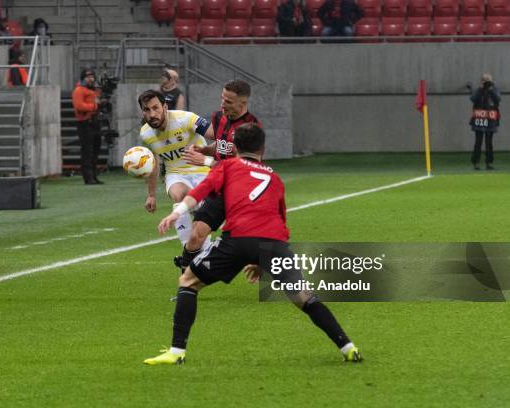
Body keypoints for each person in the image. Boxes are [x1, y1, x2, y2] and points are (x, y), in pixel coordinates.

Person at [144, 123, 363, 365]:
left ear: (235, 147)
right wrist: (262, 260)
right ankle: (348, 347)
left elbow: (203, 189)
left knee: (188, 281)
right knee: (303, 297)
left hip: (237, 239)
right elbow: (281, 219)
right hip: (273, 243)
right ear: (264, 149)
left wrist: (178, 213)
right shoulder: (274, 177)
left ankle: (176, 352)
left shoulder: (228, 166)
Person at [176, 80, 261, 274]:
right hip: (219, 188)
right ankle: (185, 284)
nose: (223, 104)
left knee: (253, 244)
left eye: (229, 102)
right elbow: (222, 144)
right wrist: (205, 149)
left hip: (243, 191)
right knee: (196, 235)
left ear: (243, 103)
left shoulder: (251, 128)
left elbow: (241, 166)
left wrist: (205, 161)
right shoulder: (218, 117)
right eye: (222, 99)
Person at [138, 89, 214, 248]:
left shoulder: (186, 119)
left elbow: (216, 135)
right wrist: (151, 195)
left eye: (155, 107)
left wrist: (207, 156)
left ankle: (202, 248)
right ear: (142, 112)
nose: (152, 114)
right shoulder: (146, 134)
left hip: (203, 170)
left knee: (201, 207)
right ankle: (189, 250)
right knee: (182, 195)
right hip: (176, 174)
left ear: (164, 107)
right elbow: (154, 163)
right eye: (147, 109)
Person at [72, 68, 103, 185]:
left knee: (95, 150)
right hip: (85, 123)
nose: (91, 79)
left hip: (95, 122)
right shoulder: (79, 90)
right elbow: (79, 106)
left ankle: (94, 176)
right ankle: (88, 177)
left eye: (92, 76)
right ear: (83, 78)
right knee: (87, 151)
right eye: (88, 76)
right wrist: (95, 106)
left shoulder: (94, 90)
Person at [469, 74, 500, 171]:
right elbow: (472, 99)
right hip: (480, 120)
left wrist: (490, 89)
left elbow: (498, 99)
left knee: (489, 143)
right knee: (478, 142)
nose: (486, 83)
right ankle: (476, 163)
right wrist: (480, 88)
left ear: (491, 82)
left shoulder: (494, 89)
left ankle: (489, 163)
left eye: (488, 81)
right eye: (485, 81)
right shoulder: (479, 90)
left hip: (490, 120)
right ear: (481, 81)